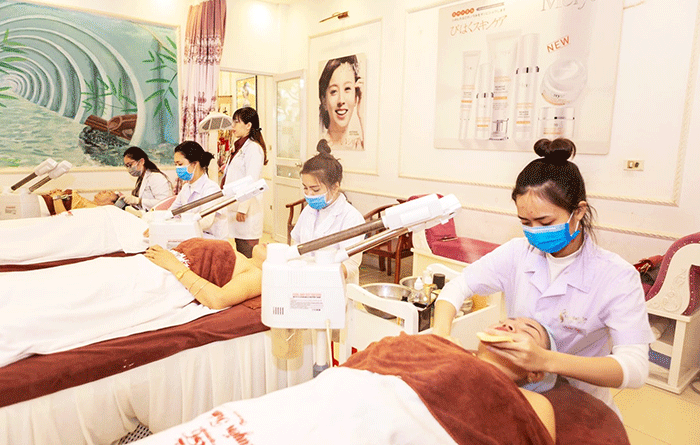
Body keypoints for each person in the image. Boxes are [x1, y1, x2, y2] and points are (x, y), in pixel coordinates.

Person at [432, 137, 654, 417]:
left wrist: (546, 360)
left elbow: (635, 368)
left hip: (582, 401)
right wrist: (441, 335)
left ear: (579, 212)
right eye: (525, 223)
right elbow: (459, 286)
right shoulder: (517, 253)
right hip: (516, 388)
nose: (535, 231)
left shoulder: (616, 276)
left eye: (545, 222)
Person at [133, 318, 558, 445]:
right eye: (508, 319)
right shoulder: (436, 346)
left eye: (527, 330)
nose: (510, 324)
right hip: (333, 398)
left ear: (536, 370)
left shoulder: (533, 401)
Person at [0, 236, 265, 368]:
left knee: (80, 296)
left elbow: (217, 299)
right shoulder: (237, 250)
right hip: (143, 266)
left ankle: (11, 329)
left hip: (159, 281)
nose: (270, 243)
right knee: (66, 279)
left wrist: (173, 265)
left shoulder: (257, 275)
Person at [291, 139, 365, 284]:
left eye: (315, 189)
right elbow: (296, 244)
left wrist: (318, 274)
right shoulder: (308, 210)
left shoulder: (351, 217)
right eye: (305, 188)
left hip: (334, 286)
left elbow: (351, 265)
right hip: (304, 282)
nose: (309, 194)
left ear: (335, 187)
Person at [220, 107, 267, 258]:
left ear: (248, 125)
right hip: (235, 206)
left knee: (247, 252)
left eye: (236, 122)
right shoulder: (239, 146)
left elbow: (251, 180)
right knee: (239, 249)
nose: (232, 126)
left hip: (246, 210)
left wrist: (243, 208)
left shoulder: (254, 148)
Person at [170, 140, 227, 239]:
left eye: (180, 164)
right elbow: (172, 212)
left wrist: (177, 228)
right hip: (191, 236)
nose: (177, 168)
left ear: (194, 164)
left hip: (211, 240)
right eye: (176, 165)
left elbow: (205, 222)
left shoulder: (211, 189)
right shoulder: (186, 188)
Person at [318, 55, 364, 150]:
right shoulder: (319, 145)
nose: (341, 100)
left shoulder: (359, 146)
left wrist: (362, 115)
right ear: (324, 100)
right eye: (334, 91)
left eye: (347, 89)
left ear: (356, 97)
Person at [121, 146, 173, 211]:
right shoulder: (141, 179)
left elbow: (164, 203)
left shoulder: (156, 177)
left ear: (141, 161)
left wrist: (139, 201)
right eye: (127, 166)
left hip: (158, 215)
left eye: (130, 165)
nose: (129, 168)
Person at [41, 189, 119, 215]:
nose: (104, 191)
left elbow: (64, 217)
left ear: (111, 204)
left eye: (109, 193)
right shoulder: (89, 203)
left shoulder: (93, 210)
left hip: (43, 207)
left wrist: (57, 197)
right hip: (42, 200)